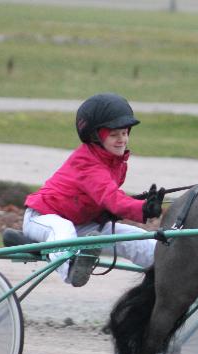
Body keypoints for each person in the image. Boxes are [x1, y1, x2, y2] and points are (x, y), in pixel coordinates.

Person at [23, 93, 165, 287]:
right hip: (42, 217)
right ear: (95, 136)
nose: (122, 140)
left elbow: (104, 199)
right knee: (63, 230)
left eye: (125, 133)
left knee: (132, 237)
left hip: (82, 225)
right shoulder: (87, 162)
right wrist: (142, 208)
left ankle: (167, 264)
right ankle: (72, 270)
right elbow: (111, 198)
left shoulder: (117, 163)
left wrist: (128, 207)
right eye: (114, 135)